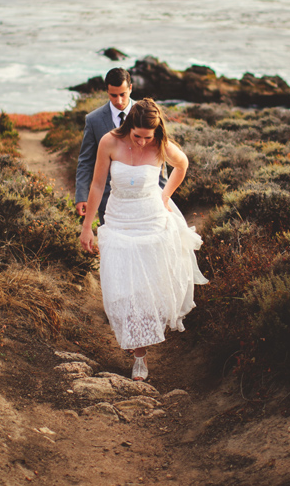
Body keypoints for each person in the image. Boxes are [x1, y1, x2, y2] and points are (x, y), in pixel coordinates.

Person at [80, 99, 207, 381]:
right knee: (121, 288)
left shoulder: (160, 144)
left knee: (146, 287)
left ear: (156, 132)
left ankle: (140, 354)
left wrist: (165, 196)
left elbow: (182, 164)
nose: (140, 142)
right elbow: (98, 184)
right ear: (128, 127)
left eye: (146, 137)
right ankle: (134, 337)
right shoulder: (109, 142)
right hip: (119, 221)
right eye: (136, 135)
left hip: (151, 221)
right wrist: (87, 226)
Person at [75, 68, 134, 223]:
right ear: (107, 91)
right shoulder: (93, 120)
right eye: (113, 95)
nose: (119, 100)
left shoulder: (146, 114)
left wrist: (163, 194)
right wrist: (81, 195)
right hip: (107, 199)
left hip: (140, 197)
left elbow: (158, 156)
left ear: (130, 88)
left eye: (123, 94)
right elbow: (86, 161)